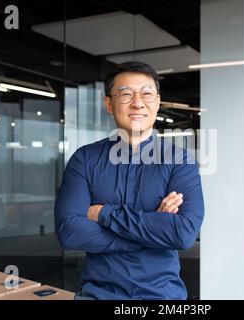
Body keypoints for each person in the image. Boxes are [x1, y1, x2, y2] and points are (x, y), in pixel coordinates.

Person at [54, 61, 204, 300]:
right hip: (97, 295)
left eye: (147, 94)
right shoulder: (85, 159)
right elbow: (69, 232)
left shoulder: (179, 161)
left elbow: (183, 234)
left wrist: (104, 214)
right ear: (109, 104)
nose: (137, 102)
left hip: (162, 296)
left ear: (157, 103)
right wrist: (153, 230)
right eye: (126, 94)